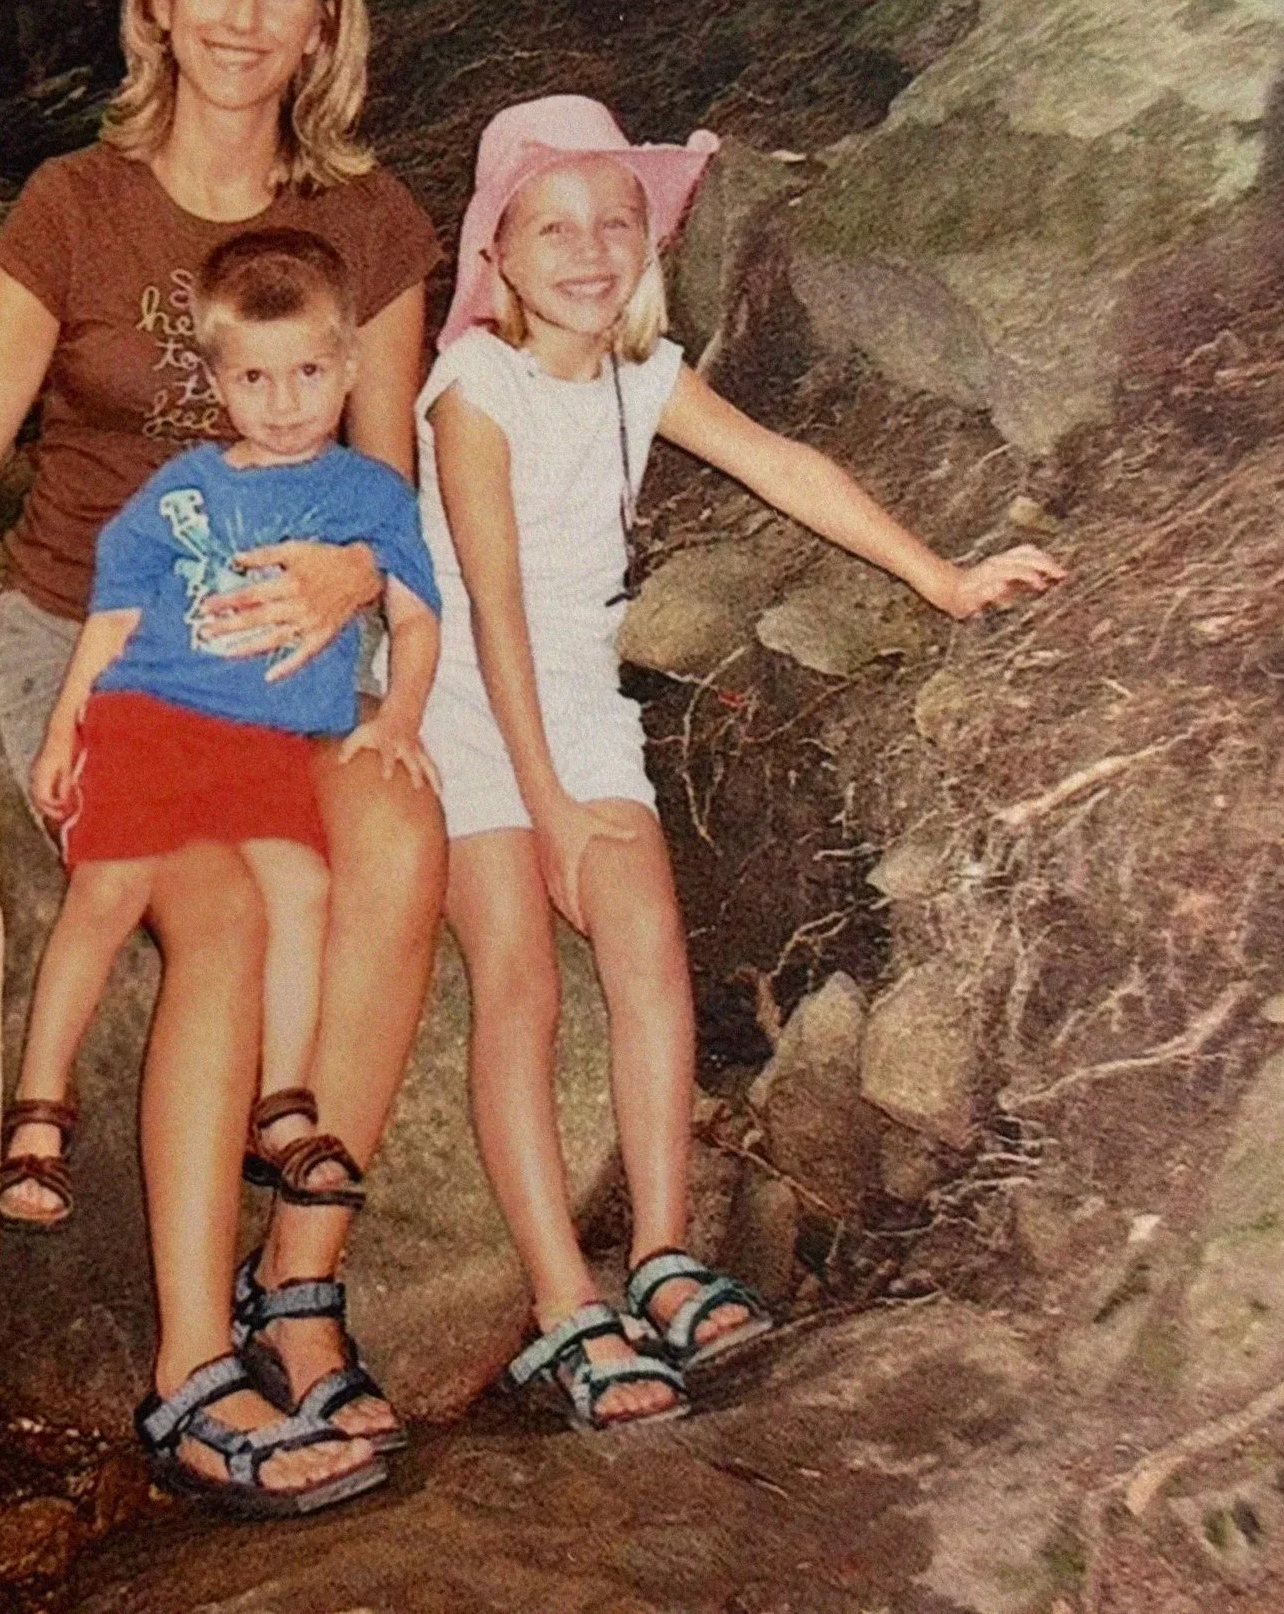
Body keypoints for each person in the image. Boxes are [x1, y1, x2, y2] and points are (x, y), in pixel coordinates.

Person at [416, 94, 1066, 1430]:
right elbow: (488, 610)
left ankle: (662, 1254)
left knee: (649, 944)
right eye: (554, 227)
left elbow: (785, 464)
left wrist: (942, 578)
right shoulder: (473, 390)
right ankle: (562, 1301)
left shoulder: (639, 374)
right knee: (520, 979)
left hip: (577, 692)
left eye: (616, 222)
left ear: (652, 242)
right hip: (471, 703)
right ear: (498, 251)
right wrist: (547, 806)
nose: (590, 251)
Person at [0, 0, 447, 1507]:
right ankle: (187, 1371)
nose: (243, 17)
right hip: (94, 633)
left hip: (298, 643)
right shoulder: (73, 201)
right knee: (220, 903)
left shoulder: (372, 222)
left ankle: (300, 1284)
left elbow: (393, 470)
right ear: (158, 3)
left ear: (322, 25)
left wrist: (359, 578)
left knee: (398, 840)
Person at [1, 230, 439, 1273]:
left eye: (308, 373)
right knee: (107, 891)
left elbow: (418, 617)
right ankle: (37, 1109)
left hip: (267, 745)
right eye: (253, 378)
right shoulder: (180, 491)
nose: (283, 402)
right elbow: (112, 615)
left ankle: (283, 1104)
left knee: (302, 887)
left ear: (351, 366)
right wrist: (65, 725)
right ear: (214, 381)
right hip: (148, 716)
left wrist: (399, 716)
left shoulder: (375, 497)